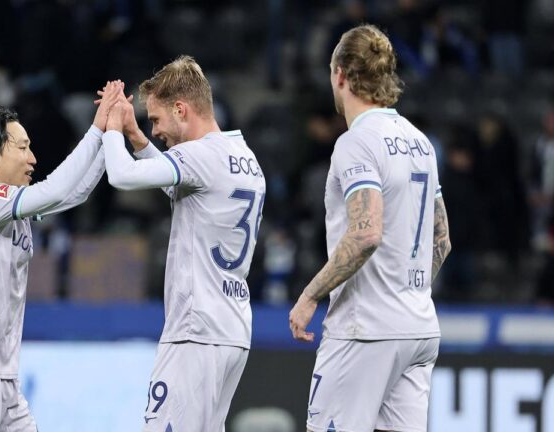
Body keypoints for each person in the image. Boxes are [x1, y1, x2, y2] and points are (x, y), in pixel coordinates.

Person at [0, 81, 124, 431]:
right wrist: (96, 129)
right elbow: (57, 188)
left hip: (0, 376)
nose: (33, 158)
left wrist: (111, 135)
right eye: (23, 147)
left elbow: (71, 195)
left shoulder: (5, 206)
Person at [288, 25, 451, 432]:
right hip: (418, 327)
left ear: (340, 74)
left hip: (365, 331)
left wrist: (310, 296)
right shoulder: (421, 143)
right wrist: (403, 293)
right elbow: (442, 240)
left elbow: (365, 233)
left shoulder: (356, 143)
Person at [101, 56, 266, 431]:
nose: (155, 130)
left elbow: (122, 177)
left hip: (196, 331)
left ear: (181, 108)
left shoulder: (199, 156)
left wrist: (112, 126)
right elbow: (179, 180)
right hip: (232, 331)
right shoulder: (243, 157)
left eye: (156, 120)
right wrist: (135, 137)